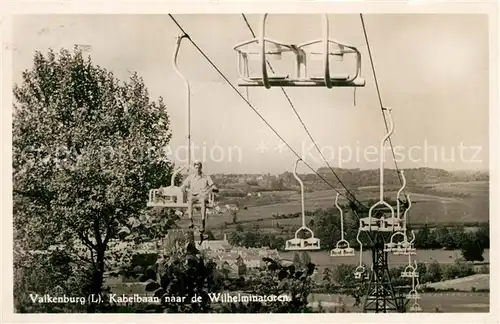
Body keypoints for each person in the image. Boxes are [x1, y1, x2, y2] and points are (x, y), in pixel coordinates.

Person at [180, 161, 218, 237]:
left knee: (203, 202)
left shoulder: (206, 177)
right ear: (194, 168)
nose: (197, 169)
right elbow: (183, 185)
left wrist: (214, 188)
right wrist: (184, 188)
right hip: (193, 195)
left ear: (201, 168)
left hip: (202, 195)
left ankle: (202, 222)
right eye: (196, 167)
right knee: (190, 200)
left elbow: (212, 185)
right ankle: (190, 220)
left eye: (199, 167)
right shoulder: (191, 177)